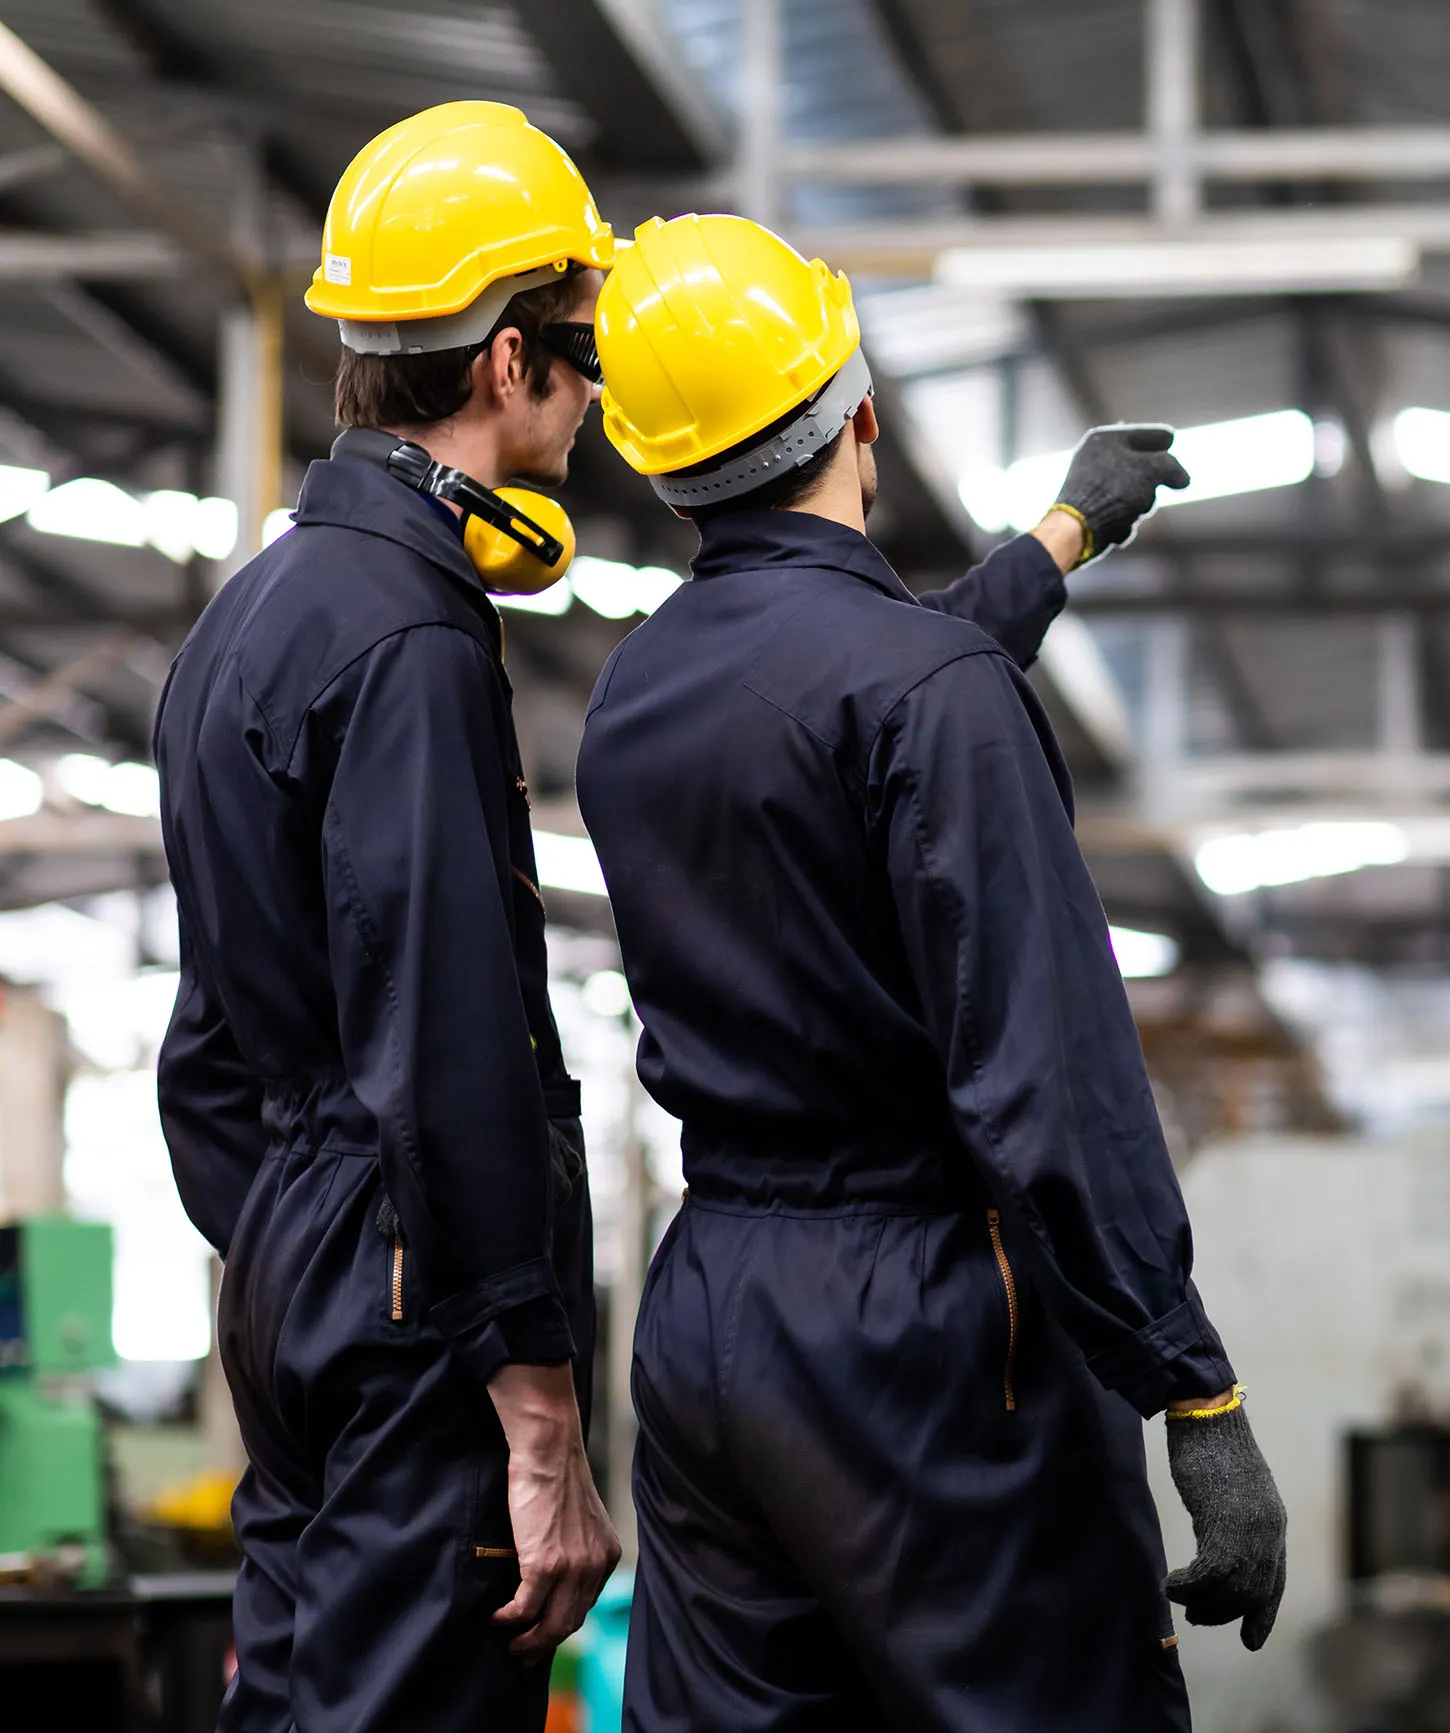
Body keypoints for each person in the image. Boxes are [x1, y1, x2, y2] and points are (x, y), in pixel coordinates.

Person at [577, 212, 1288, 1732]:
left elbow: (842, 692)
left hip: (713, 1321)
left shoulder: (636, 693)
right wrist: (1195, 1392)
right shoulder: (927, 693)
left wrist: (1057, 542)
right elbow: (1054, 1081)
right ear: (864, 410)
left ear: (655, 459)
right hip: (930, 1331)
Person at [154, 102, 622, 1731]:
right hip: (413, 1296)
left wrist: (298, 1243)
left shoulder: (251, 614)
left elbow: (207, 1038)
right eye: (585, 348)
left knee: (296, 1702)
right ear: (508, 361)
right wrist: (541, 1412)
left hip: (303, 1262)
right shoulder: (415, 641)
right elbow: (450, 1032)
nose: (597, 389)